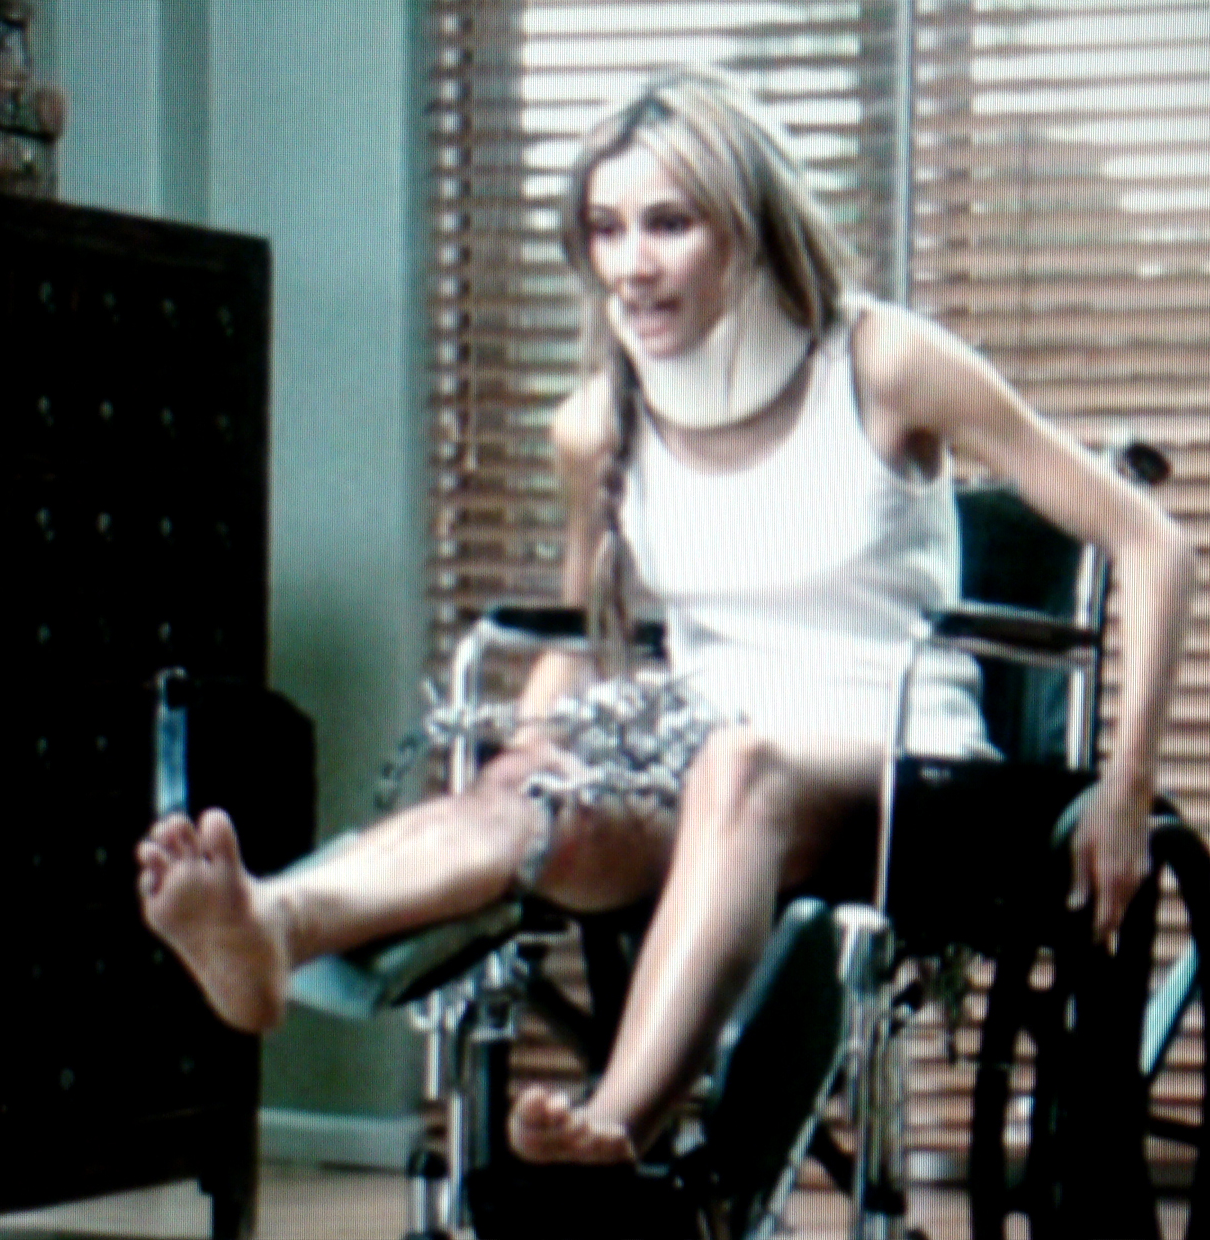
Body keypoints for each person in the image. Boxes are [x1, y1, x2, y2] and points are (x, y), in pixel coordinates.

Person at [135, 67, 1194, 1165]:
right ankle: (273, 925)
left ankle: (617, 1124)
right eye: (606, 228)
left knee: (739, 764)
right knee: (544, 782)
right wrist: (531, 755)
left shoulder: (883, 362)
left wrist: (1123, 790)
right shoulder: (597, 425)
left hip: (905, 772)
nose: (630, 263)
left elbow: (1154, 545)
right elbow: (580, 636)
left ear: (746, 224)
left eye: (669, 223)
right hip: (701, 765)